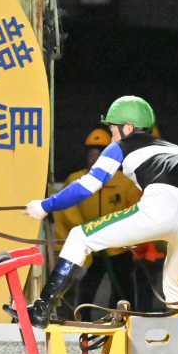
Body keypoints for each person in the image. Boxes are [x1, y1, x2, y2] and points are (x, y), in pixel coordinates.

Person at [12, 96, 178, 327]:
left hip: (160, 210)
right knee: (175, 283)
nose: (111, 136)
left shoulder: (121, 146)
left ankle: (41, 310)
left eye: (113, 129)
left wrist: (45, 206)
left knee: (79, 236)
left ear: (128, 128)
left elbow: (87, 186)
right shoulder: (174, 148)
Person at [54, 129, 141, 314]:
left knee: (124, 294)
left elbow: (137, 212)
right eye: (91, 152)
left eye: (99, 152)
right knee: (85, 294)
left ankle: (125, 325)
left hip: (118, 250)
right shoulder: (76, 180)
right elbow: (66, 213)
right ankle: (83, 326)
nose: (93, 156)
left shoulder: (125, 183)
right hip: (90, 250)